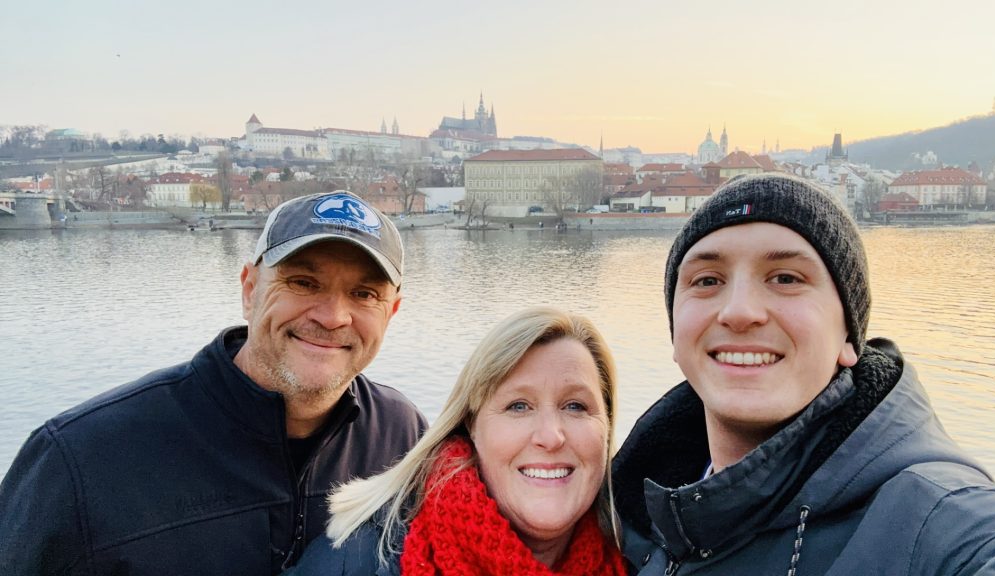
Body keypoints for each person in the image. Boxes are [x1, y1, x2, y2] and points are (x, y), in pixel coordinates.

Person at [612, 173, 995, 575]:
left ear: (848, 336)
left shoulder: (931, 519)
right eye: (707, 280)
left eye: (786, 278)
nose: (739, 311)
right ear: (675, 332)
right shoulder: (631, 513)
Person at [0, 191, 428, 575]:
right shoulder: (79, 460)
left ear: (391, 313)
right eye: (303, 282)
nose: (333, 317)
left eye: (364, 294)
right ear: (250, 290)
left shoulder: (403, 437)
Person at [289, 307, 627, 575]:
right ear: (471, 426)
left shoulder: (642, 557)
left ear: (607, 427)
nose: (551, 436)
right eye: (519, 406)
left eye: (575, 406)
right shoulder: (354, 562)